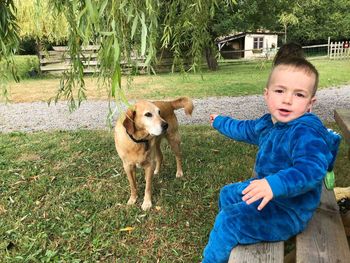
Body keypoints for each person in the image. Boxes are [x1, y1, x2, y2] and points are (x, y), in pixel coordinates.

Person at [202, 56, 341, 263]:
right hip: (266, 190)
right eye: (280, 91)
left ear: (310, 104)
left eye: (299, 94)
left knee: (228, 221)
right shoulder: (268, 123)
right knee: (227, 194)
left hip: (289, 209)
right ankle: (239, 232)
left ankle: (220, 247)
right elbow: (244, 129)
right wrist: (220, 121)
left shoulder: (305, 132)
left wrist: (274, 184)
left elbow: (311, 169)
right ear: (267, 95)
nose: (287, 100)